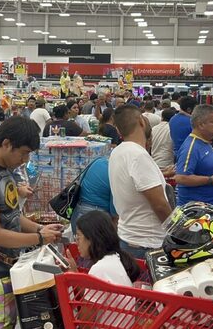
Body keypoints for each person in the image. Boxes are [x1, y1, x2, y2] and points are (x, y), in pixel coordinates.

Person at [0, 116, 63, 328]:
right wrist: (38, 237)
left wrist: (40, 228)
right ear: (7, 143)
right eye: (24, 152)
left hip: (9, 269)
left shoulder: (4, 172)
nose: (25, 160)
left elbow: (12, 215)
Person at [108, 105, 172, 259]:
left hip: (129, 236)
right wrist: (176, 232)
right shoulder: (138, 156)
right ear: (141, 122)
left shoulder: (117, 152)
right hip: (147, 243)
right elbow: (159, 204)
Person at [175, 104, 213, 211]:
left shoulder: (205, 143)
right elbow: (181, 178)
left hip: (210, 216)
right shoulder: (191, 147)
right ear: (201, 124)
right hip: (197, 218)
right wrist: (210, 180)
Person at [66, 210, 140, 285]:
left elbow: (87, 296)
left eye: (78, 236)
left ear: (91, 238)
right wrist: (74, 271)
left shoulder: (99, 269)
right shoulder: (115, 258)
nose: (76, 242)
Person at [69, 157, 117, 234]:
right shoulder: (115, 171)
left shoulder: (98, 161)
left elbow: (81, 182)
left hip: (78, 211)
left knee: (79, 243)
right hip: (96, 218)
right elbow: (114, 207)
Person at [151, 107, 178, 173]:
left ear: (162, 117)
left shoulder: (153, 129)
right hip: (168, 166)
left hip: (154, 163)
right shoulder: (172, 129)